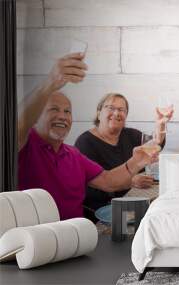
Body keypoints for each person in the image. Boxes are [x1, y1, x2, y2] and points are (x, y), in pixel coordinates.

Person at [18, 53, 158, 220]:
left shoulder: (73, 155)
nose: (62, 116)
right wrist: (49, 83)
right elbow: (18, 123)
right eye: (54, 109)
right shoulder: (26, 145)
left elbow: (109, 180)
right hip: (37, 240)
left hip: (79, 236)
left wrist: (136, 162)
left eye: (67, 111)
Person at [74, 93, 173, 221]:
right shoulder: (85, 142)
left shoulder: (130, 134)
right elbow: (92, 188)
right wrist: (130, 182)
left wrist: (161, 124)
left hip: (133, 199)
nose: (116, 113)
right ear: (99, 113)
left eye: (121, 110)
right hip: (103, 211)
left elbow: (155, 145)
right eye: (110, 108)